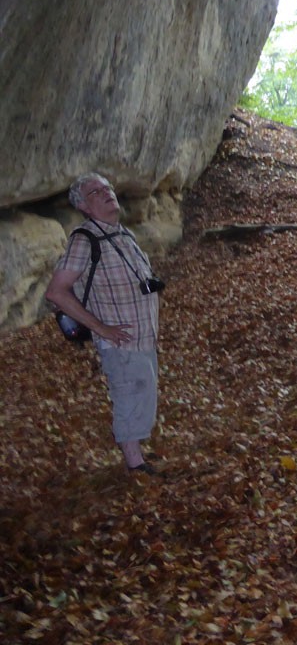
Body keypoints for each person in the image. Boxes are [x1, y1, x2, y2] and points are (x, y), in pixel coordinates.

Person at [45, 173, 164, 476]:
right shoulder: (84, 239)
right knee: (129, 394)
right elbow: (56, 292)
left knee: (143, 390)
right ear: (84, 206)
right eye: (96, 192)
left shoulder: (123, 234)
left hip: (143, 334)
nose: (107, 193)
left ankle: (136, 451)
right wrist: (101, 328)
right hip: (119, 340)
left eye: (107, 187)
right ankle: (135, 465)